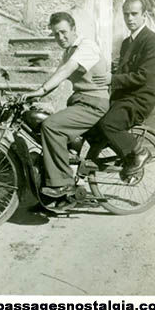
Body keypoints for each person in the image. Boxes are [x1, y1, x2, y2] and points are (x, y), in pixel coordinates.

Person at [22, 11, 110, 198]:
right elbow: (58, 75)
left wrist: (40, 91)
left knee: (51, 126)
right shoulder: (69, 51)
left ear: (74, 30)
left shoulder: (86, 46)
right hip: (81, 102)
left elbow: (67, 70)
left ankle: (63, 184)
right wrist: (34, 96)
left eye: (63, 32)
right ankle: (49, 192)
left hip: (94, 103)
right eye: (55, 34)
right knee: (44, 126)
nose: (60, 37)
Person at [88, 0, 155, 176]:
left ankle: (140, 152)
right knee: (91, 124)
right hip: (124, 97)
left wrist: (113, 79)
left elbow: (144, 75)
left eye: (134, 14)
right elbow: (122, 69)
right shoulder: (127, 42)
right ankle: (122, 157)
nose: (130, 19)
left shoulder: (152, 40)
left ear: (144, 15)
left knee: (109, 125)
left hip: (140, 99)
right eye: (126, 14)